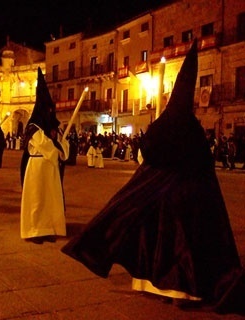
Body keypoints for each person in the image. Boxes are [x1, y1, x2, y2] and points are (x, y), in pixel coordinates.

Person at [62, 40, 245, 314]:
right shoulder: (193, 129)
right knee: (185, 244)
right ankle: (182, 290)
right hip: (190, 198)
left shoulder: (163, 124)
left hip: (159, 197)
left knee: (159, 240)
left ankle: (156, 286)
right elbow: (204, 165)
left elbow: (146, 152)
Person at [20, 67, 69, 244]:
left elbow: (63, 147)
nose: (50, 113)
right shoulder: (34, 127)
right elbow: (45, 145)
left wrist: (61, 142)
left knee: (50, 200)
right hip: (38, 167)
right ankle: (34, 231)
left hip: (50, 167)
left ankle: (49, 228)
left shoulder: (52, 128)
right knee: (37, 200)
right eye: (47, 110)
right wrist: (56, 146)